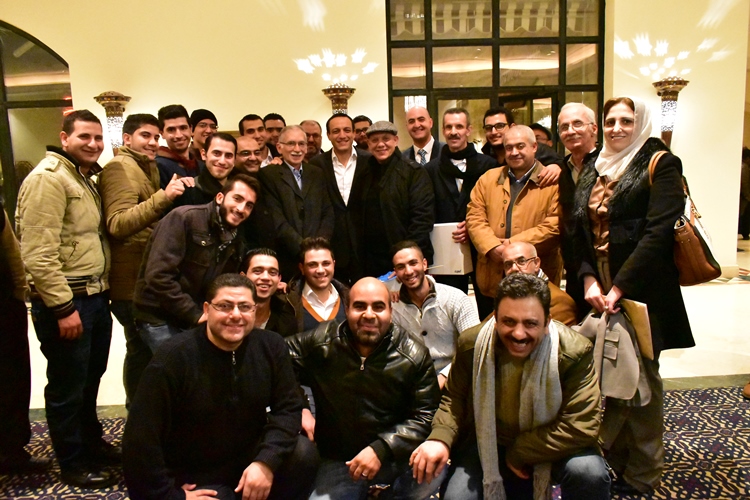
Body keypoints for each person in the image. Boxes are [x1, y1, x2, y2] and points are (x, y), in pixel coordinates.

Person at [571, 96, 695, 495]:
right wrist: (588, 279)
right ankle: (618, 460)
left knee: (643, 381)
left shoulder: (660, 163)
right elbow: (578, 230)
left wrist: (620, 286)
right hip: (599, 287)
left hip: (643, 288)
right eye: (610, 121)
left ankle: (643, 472)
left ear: (640, 123)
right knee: (613, 375)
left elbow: (658, 233)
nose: (617, 128)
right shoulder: (595, 165)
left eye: (626, 120)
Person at [410, 273, 610, 500]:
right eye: (509, 322)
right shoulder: (471, 345)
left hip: (553, 443)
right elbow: (454, 399)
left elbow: (581, 425)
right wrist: (440, 437)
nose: (518, 334)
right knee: (457, 497)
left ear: (547, 322)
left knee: (588, 472)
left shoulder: (575, 351)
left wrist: (520, 452)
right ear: (495, 318)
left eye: (530, 323)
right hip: (488, 439)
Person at [123, 273, 318, 500]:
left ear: (254, 310)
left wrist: (265, 462)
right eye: (225, 306)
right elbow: (141, 439)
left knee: (303, 453)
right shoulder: (173, 358)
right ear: (207, 310)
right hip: (195, 476)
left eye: (244, 307)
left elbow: (288, 409)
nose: (235, 315)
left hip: (248, 464)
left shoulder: (271, 346)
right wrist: (171, 496)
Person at [16, 110, 117, 488]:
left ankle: (90, 445)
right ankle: (72, 463)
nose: (93, 144)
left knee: (89, 380)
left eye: (97, 137)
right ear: (64, 138)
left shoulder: (82, 177)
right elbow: (37, 254)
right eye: (84, 137)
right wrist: (62, 308)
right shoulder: (48, 179)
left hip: (94, 296)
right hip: (68, 302)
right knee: (67, 387)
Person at [286, 277, 442, 500]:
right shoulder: (322, 341)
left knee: (435, 469)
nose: (369, 315)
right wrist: (300, 406)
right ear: (347, 309)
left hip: (395, 456)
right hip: (341, 460)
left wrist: (382, 448)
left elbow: (426, 415)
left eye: (378, 307)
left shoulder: (413, 355)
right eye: (360, 306)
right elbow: (278, 358)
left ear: (390, 311)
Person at [99, 113, 187, 405]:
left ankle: (142, 414)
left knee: (140, 352)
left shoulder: (142, 166)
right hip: (129, 283)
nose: (152, 142)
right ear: (127, 138)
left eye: (155, 137)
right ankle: (139, 413)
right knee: (145, 354)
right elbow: (118, 223)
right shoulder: (119, 167)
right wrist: (164, 197)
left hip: (142, 276)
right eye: (145, 136)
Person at [133, 175, 258, 356]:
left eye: (249, 205)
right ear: (220, 197)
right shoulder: (184, 218)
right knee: (179, 367)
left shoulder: (235, 237)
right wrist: (194, 314)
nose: (241, 209)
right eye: (237, 199)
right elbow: (158, 276)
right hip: (158, 315)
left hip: (191, 317)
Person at [466, 125, 561, 313]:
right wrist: (492, 247)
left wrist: (510, 247)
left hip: (536, 282)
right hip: (492, 276)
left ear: (534, 147)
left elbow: (554, 225)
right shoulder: (488, 179)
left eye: (520, 146)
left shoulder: (552, 182)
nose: (514, 152)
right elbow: (474, 217)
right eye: (509, 147)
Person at [423, 107, 498, 316]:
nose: (453, 132)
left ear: (468, 130)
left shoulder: (489, 166)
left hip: (483, 248)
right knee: (450, 307)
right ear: (442, 131)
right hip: (447, 247)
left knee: (488, 305)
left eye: (459, 126)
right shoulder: (430, 170)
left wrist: (473, 227)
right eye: (448, 127)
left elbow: (496, 206)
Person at [0, 200, 52, 475]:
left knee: (12, 381)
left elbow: (10, 249)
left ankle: (11, 451)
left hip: (4, 305)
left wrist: (20, 294)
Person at [390, 241, 480, 388]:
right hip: (414, 382)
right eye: (401, 267)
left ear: (424, 264)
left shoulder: (455, 298)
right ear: (395, 272)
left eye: (413, 263)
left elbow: (474, 347)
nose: (408, 271)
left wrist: (444, 377)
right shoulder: (393, 307)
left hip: (456, 378)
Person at [354, 120, 435, 277]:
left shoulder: (413, 172)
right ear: (368, 144)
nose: (380, 144)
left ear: (396, 140)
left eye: (386, 139)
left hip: (406, 260)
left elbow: (422, 219)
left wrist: (405, 260)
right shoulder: (363, 174)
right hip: (371, 261)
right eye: (375, 140)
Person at [257, 125, 334, 279]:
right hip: (287, 256)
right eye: (291, 143)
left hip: (318, 256)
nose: (297, 149)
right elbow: (277, 219)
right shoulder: (268, 175)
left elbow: (327, 212)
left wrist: (319, 247)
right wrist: (304, 250)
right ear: (279, 147)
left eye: (301, 144)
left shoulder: (316, 173)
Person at [309, 113, 371, 284]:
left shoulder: (370, 161)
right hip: (332, 243)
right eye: (336, 131)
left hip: (365, 244)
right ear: (328, 135)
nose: (342, 135)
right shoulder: (316, 165)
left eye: (347, 130)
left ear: (354, 133)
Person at [556, 103, 601, 319]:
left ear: (594, 129)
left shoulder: (608, 165)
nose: (570, 131)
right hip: (575, 267)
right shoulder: (563, 170)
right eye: (564, 127)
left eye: (577, 124)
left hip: (605, 264)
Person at [481, 107, 562, 185]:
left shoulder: (535, 149)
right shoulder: (484, 157)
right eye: (488, 128)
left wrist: (557, 167)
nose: (494, 132)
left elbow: (563, 164)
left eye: (500, 126)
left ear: (512, 127)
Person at [502, 241, 576, 326]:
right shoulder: (506, 296)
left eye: (521, 261)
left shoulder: (559, 302)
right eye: (508, 264)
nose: (514, 268)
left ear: (536, 263)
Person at [287, 237, 349, 332]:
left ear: (334, 265)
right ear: (302, 268)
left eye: (326, 263)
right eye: (312, 265)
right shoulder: (288, 301)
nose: (320, 270)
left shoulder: (349, 297)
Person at [172, 132, 237, 207]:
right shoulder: (188, 191)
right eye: (216, 153)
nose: (222, 161)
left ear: (234, 160)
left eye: (228, 156)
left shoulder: (242, 191)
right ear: (204, 155)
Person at [243, 248, 298, 336]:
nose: (266, 277)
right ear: (243, 277)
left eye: (272, 273)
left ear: (279, 279)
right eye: (257, 271)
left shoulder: (287, 322)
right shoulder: (227, 314)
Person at [156, 104, 202, 188]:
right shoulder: (158, 166)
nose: (179, 135)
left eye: (183, 128)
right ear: (162, 133)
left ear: (191, 129)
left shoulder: (201, 165)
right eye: (171, 130)